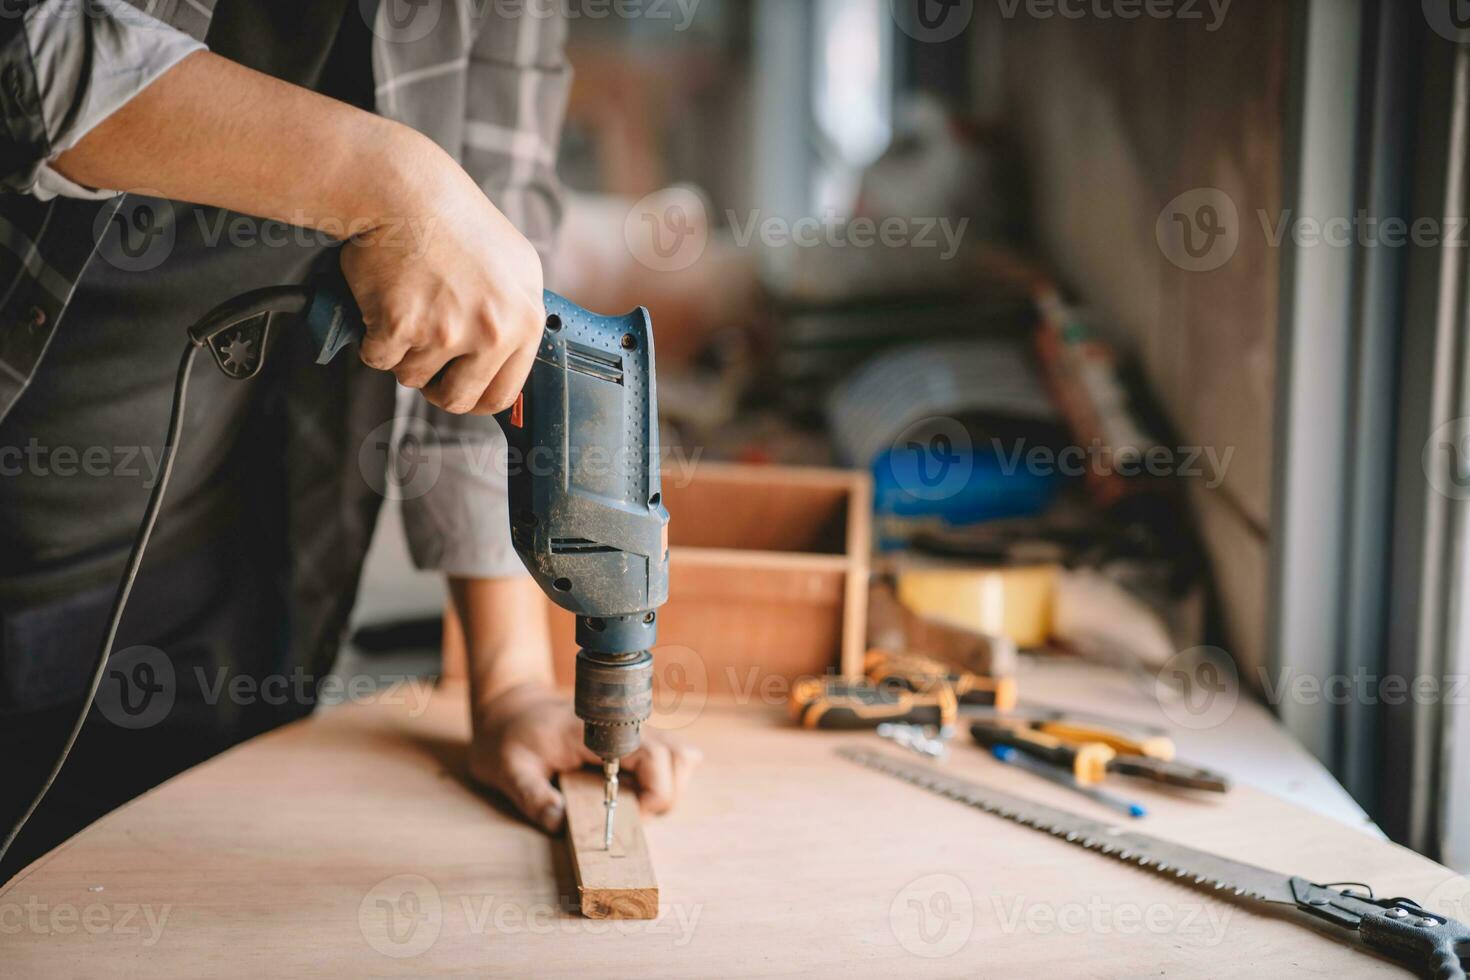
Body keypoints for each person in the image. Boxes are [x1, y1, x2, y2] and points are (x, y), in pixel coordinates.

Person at [0, 0, 697, 881]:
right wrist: (388, 182)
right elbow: (32, 47)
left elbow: (498, 292)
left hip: (190, 561)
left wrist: (512, 687)